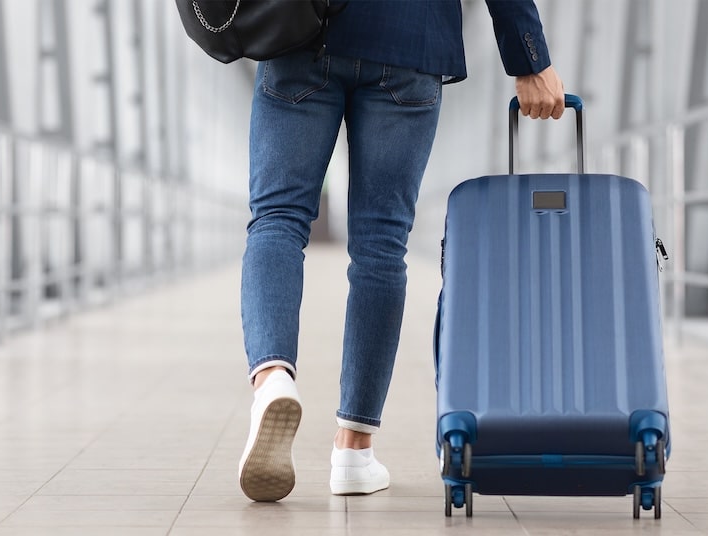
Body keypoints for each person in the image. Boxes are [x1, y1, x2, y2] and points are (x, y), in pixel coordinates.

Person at [238, 0, 566, 502]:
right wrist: (530, 60)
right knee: (380, 246)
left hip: (302, 32)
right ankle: (354, 449)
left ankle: (273, 379)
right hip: (411, 39)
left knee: (278, 220)